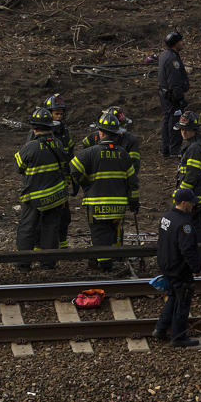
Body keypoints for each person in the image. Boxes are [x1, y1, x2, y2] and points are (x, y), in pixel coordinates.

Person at [69, 110, 139, 272]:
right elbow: (133, 182)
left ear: (100, 133)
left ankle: (105, 267)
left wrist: (86, 184)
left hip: (96, 204)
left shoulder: (90, 153)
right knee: (114, 233)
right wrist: (134, 202)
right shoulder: (124, 155)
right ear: (116, 134)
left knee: (100, 235)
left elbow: (73, 169)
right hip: (118, 206)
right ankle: (114, 259)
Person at [13, 108, 70, 270]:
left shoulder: (30, 147)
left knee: (27, 227)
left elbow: (18, 167)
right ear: (50, 127)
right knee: (50, 228)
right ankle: (48, 263)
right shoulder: (58, 143)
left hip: (34, 197)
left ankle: (24, 263)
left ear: (34, 128)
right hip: (56, 196)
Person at [153, 188, 201, 348]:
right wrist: (196, 267)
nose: (194, 205)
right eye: (191, 202)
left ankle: (160, 329)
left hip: (167, 264)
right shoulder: (184, 225)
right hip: (179, 268)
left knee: (174, 296)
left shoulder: (167, 217)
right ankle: (178, 336)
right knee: (183, 300)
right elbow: (187, 249)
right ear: (184, 203)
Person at [173, 112, 201, 243]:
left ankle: (199, 252)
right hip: (196, 194)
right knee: (196, 224)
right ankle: (200, 252)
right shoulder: (193, 145)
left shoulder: (195, 148)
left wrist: (180, 195)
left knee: (193, 225)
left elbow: (192, 176)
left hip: (193, 196)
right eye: (182, 129)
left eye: (187, 129)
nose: (184, 132)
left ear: (195, 130)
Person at [42, 95, 75, 249]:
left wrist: (72, 180)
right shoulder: (40, 131)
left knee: (64, 216)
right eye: (56, 113)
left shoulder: (64, 132)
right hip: (45, 182)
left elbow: (70, 157)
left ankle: (62, 244)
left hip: (61, 181)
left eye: (61, 113)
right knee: (45, 216)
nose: (59, 117)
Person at [158, 31, 189, 157]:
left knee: (166, 120)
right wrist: (179, 97)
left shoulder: (165, 55)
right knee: (174, 122)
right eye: (180, 41)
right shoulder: (172, 59)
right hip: (172, 96)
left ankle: (165, 149)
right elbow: (174, 81)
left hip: (165, 95)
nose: (182, 43)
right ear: (175, 44)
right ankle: (174, 150)